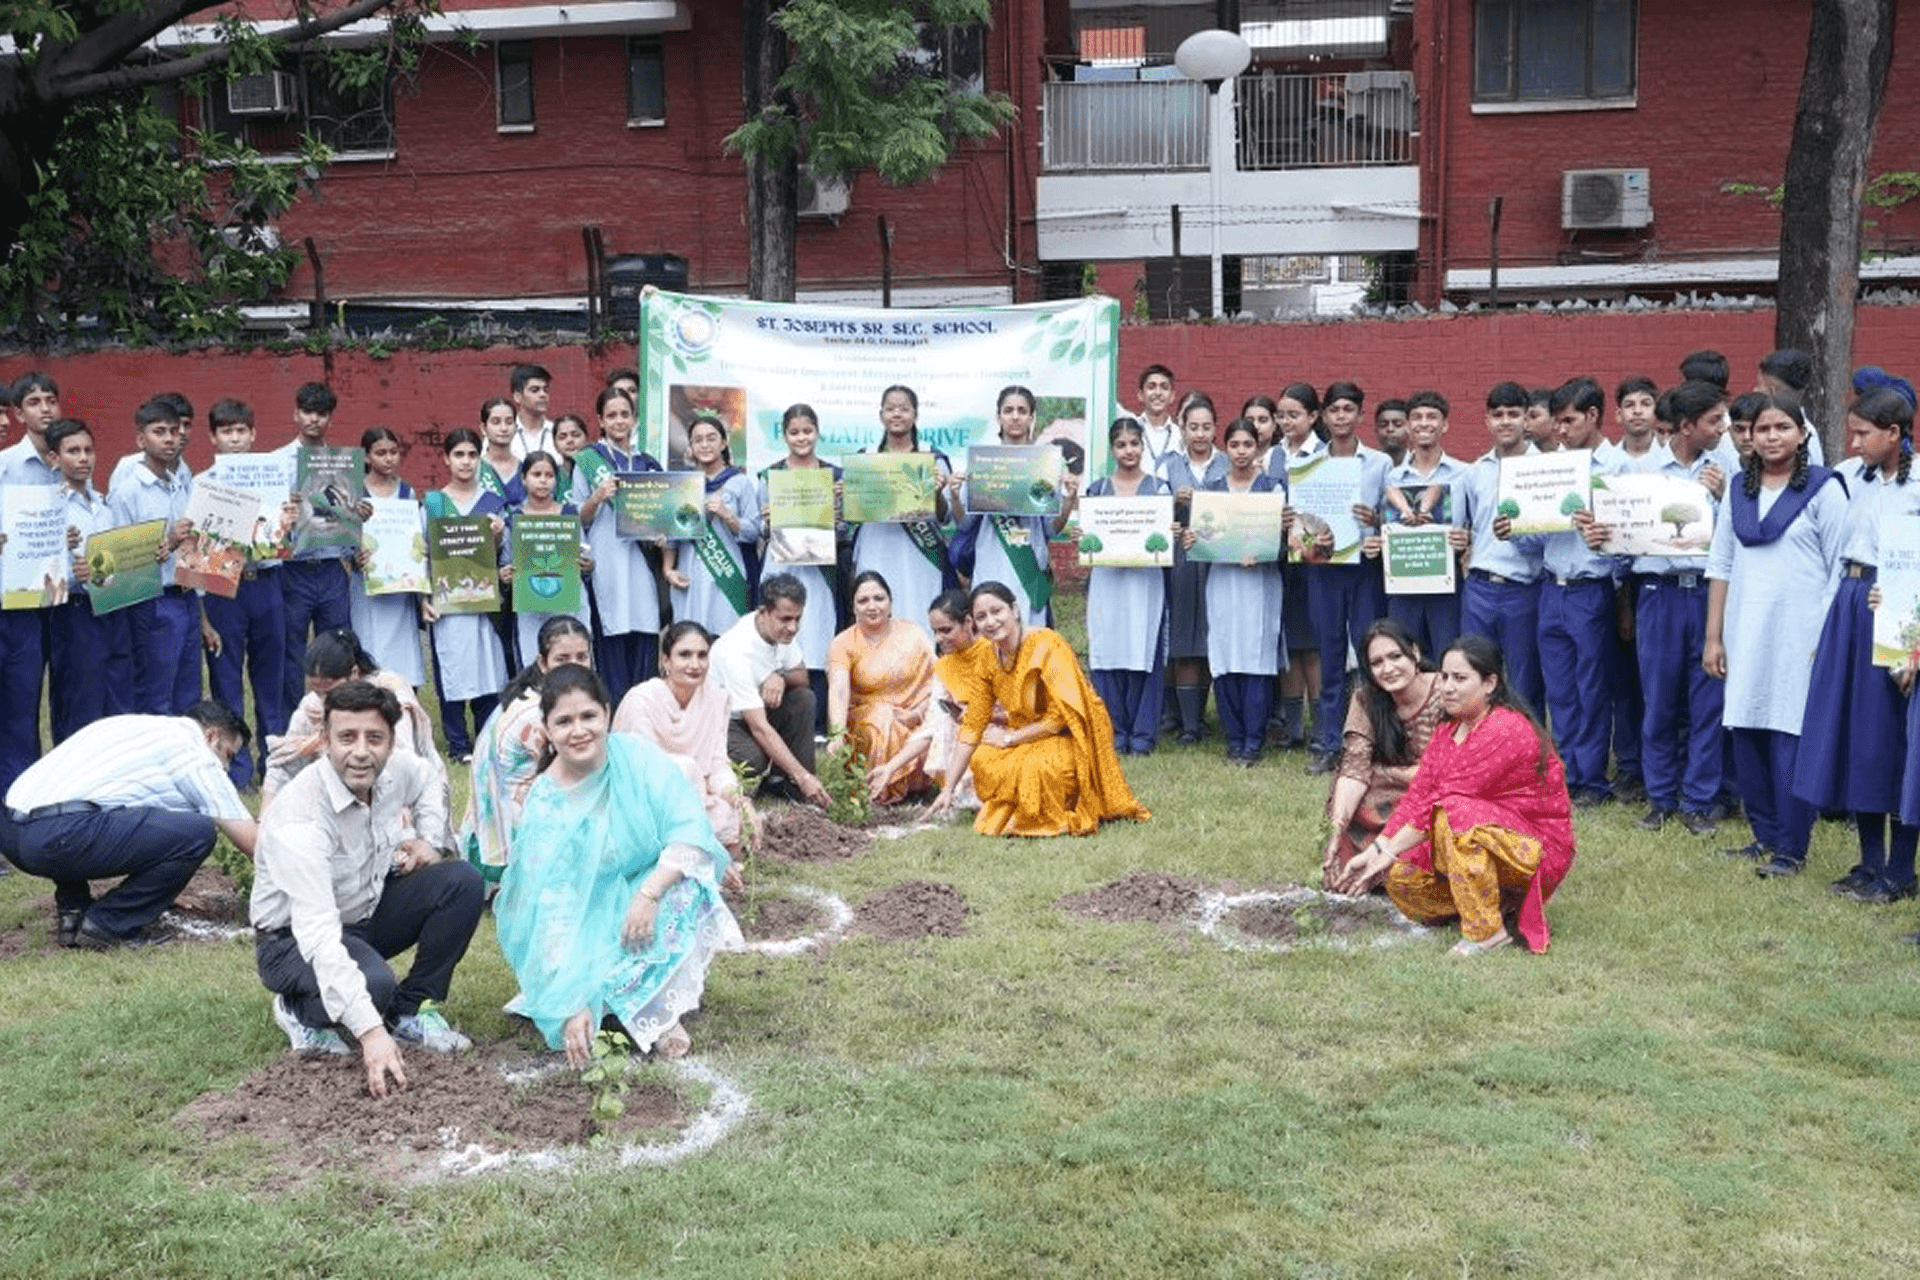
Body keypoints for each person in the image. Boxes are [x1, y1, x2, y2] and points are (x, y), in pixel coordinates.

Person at [496, 666, 743, 1064]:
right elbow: (550, 910)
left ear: (607, 715)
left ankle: (656, 1012)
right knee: (580, 995)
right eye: (564, 721)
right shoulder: (546, 804)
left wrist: (648, 894)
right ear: (547, 730)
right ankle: (616, 1005)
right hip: (582, 919)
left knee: (687, 887)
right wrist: (572, 998)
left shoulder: (635, 757)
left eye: (588, 716)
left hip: (639, 897)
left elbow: (687, 829)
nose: (579, 730)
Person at [252, 681, 483, 1092]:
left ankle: (409, 1012)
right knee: (374, 987)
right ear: (324, 741)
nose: (361, 751)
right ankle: (298, 1009)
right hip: (291, 940)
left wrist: (429, 840)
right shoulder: (301, 820)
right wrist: (371, 1034)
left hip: (364, 912)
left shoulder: (394, 770)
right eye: (346, 737)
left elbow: (429, 778)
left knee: (461, 882)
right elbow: (319, 936)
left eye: (374, 738)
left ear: (392, 741)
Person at [1331, 636, 1575, 955]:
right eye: (1444, 677)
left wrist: (1386, 851)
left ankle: (1487, 932)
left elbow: (1442, 801)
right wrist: (1378, 849)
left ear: (1490, 683)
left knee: (1453, 813)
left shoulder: (1505, 728)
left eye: (1460, 679)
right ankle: (1495, 905)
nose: (1447, 687)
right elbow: (1419, 797)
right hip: (1482, 832)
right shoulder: (1447, 732)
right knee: (1403, 878)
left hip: (1535, 848)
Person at [1702, 393, 1847, 877]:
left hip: (1801, 636)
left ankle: (1793, 845)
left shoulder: (1824, 490)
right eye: (1761, 429)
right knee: (1746, 732)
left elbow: (1839, 570)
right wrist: (1714, 636)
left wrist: (1825, 639)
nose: (1770, 437)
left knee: (1789, 736)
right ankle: (1764, 834)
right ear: (1748, 437)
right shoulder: (1740, 489)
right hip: (1746, 630)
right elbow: (1720, 563)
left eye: (1782, 427)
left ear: (1803, 433)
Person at [3, 701, 257, 949]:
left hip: (11, 831)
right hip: (55, 837)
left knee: (88, 806)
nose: (226, 768)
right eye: (228, 755)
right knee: (198, 833)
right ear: (211, 736)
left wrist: (167, 889)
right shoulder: (192, 751)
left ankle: (74, 911)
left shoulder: (133, 727)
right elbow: (252, 843)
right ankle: (108, 925)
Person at [1791, 387, 1914, 889]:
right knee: (1859, 738)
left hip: (1898, 606)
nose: (1855, 442)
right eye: (1852, 432)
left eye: (1864, 433)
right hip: (1851, 600)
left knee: (1897, 742)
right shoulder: (1849, 480)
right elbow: (1837, 554)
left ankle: (1901, 868)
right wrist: (1825, 626)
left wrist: (1910, 644)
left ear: (1894, 433)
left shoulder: (1918, 487)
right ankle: (1869, 861)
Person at [925, 581, 1150, 836]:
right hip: (1025, 735)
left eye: (997, 611)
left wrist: (1010, 738)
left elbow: (1059, 719)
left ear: (1015, 610)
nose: (991, 621)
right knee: (983, 759)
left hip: (1067, 735)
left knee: (1038, 766)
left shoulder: (1047, 644)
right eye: (981, 616)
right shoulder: (988, 656)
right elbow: (974, 723)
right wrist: (948, 789)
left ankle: (1058, 809)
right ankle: (1021, 811)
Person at [463, 615, 594, 885]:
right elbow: (582, 777)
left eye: (582, 657)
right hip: (506, 847)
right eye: (563, 659)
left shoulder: (541, 696)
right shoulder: (535, 713)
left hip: (500, 828)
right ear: (543, 663)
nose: (574, 667)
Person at [200, 398, 289, 787]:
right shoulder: (204, 481)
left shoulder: (275, 474)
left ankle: (276, 765)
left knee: (272, 679)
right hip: (223, 589)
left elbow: (291, 538)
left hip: (266, 582)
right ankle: (235, 769)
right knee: (226, 680)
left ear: (253, 434)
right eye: (226, 431)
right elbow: (198, 550)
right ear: (213, 438)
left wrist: (291, 517)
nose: (235, 439)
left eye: (241, 431)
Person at [262, 627, 448, 813]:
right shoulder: (312, 705)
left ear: (354, 673)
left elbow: (401, 759)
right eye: (318, 692)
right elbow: (284, 761)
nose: (324, 701)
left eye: (331, 692)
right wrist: (266, 817)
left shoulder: (388, 692)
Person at [1321, 620, 1446, 893]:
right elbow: (1354, 768)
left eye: (1395, 656)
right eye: (1377, 663)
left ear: (1414, 652)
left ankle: (1393, 866)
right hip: (1391, 791)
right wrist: (1336, 830)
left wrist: (1391, 774)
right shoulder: (1365, 700)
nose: (1388, 669)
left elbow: (1446, 771)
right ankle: (1356, 867)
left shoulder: (1446, 692)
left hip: (1435, 792)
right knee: (1347, 799)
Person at [614, 620, 758, 852]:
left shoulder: (714, 699)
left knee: (730, 808)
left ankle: (723, 866)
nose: (695, 664)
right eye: (685, 655)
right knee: (684, 767)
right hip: (647, 806)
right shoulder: (641, 701)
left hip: (696, 800)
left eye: (702, 655)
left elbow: (717, 765)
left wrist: (738, 799)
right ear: (665, 660)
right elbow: (641, 773)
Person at [1194, 417, 1286, 765]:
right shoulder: (1213, 490)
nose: (1241, 452)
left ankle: (1254, 739)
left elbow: (1283, 543)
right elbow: (1203, 538)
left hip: (1259, 584)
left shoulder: (1272, 489)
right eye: (1235, 445)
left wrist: (1267, 551)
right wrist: (1194, 540)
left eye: (1248, 444)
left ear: (1258, 446)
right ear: (1225, 447)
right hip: (1222, 582)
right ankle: (1234, 738)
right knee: (1225, 658)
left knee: (1256, 659)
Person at [952, 385, 1079, 628]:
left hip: (1029, 568)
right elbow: (964, 523)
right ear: (998, 416)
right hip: (990, 562)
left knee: (1029, 641)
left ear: (1031, 417)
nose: (1015, 416)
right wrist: (956, 497)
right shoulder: (983, 461)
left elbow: (1051, 530)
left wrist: (1069, 500)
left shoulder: (1045, 463)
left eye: (1022, 410)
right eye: (1008, 410)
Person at [1083, 417, 1171, 755]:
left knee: (1142, 648)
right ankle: (1114, 730)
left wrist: (1169, 535)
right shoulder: (1097, 490)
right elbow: (1090, 537)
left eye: (1134, 443)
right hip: (1107, 582)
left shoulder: (1158, 488)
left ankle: (1143, 733)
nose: (1128, 450)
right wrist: (1083, 538)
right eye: (1121, 445)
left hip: (1145, 583)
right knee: (1108, 649)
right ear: (1112, 449)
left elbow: (1165, 538)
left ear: (1142, 447)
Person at [758, 403, 846, 730]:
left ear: (818, 433)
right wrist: (767, 522)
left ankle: (821, 723)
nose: (801, 437)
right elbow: (758, 529)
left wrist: (838, 515)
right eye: (794, 432)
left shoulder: (835, 476)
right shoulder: (770, 476)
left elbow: (848, 527)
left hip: (819, 570)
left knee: (817, 636)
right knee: (779, 633)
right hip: (781, 565)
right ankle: (780, 719)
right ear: (784, 436)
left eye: (807, 431)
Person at [575, 384, 665, 704]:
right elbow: (579, 517)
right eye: (611, 415)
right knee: (611, 631)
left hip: (641, 564)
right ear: (600, 420)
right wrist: (597, 496)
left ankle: (644, 710)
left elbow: (663, 517)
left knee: (643, 628)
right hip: (607, 560)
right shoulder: (588, 459)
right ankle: (614, 708)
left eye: (624, 414)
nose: (618, 421)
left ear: (634, 419)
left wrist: (660, 534)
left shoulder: (649, 464)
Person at [109, 396, 200, 715]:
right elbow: (117, 565)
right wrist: (170, 541)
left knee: (188, 691)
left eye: (174, 431)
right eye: (159, 432)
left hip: (186, 594)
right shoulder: (128, 489)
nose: (169, 439)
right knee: (156, 692)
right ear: (140, 439)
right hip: (151, 601)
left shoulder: (180, 482)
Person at [425, 427, 512, 760]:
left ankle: (486, 739)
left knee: (488, 668)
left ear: (480, 458)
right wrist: (424, 597)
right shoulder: (434, 502)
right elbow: (424, 552)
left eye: (472, 454)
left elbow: (504, 560)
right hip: (448, 600)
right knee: (452, 667)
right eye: (458, 454)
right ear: (447, 459)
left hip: (485, 600)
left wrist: (500, 536)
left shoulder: (493, 504)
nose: (466, 461)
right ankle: (458, 743)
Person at [44, 418, 132, 743]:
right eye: (73, 451)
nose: (83, 458)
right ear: (55, 459)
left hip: (113, 607)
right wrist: (70, 572)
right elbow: (36, 571)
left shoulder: (104, 504)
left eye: (88, 450)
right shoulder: (48, 508)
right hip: (74, 610)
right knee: (80, 698)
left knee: (118, 693)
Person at [709, 573, 832, 806]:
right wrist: (802, 775)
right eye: (785, 619)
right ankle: (799, 779)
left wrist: (779, 677)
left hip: (755, 711)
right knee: (753, 759)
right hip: (723, 721)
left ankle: (785, 785)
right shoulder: (736, 650)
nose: (793, 627)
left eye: (798, 618)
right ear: (763, 613)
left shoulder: (780, 633)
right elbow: (759, 729)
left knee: (803, 699)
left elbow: (802, 677)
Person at [850, 385, 955, 646]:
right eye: (890, 409)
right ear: (881, 415)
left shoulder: (932, 459)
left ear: (915, 415)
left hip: (920, 553)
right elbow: (852, 515)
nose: (897, 414)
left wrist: (938, 493)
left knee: (918, 606)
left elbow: (945, 517)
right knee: (875, 606)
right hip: (876, 547)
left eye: (904, 409)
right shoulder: (866, 459)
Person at [867, 590, 990, 806]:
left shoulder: (994, 651)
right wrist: (890, 767)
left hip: (1001, 735)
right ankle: (959, 789)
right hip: (968, 741)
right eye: (935, 631)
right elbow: (932, 727)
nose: (938, 638)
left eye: (946, 630)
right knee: (945, 720)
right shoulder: (945, 666)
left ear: (968, 622)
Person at [277, 382, 354, 716]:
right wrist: (286, 509)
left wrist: (359, 511)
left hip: (331, 565)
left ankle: (340, 715)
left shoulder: (342, 462)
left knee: (338, 646)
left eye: (321, 414)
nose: (314, 420)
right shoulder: (278, 461)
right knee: (290, 650)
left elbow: (350, 510)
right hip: (293, 568)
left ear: (330, 419)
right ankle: (295, 720)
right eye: (307, 412)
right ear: (296, 414)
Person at [826, 570, 936, 802]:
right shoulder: (843, 643)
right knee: (882, 717)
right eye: (863, 601)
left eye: (879, 598)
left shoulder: (913, 633)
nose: (872, 606)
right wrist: (836, 735)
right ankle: (878, 791)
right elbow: (839, 690)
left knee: (943, 726)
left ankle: (910, 783)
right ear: (853, 608)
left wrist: (915, 714)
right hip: (865, 723)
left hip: (916, 715)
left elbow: (938, 680)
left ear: (890, 602)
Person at [1158, 392, 1227, 743]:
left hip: (1219, 560)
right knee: (1184, 636)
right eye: (1192, 427)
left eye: (1206, 427)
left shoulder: (1229, 463)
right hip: (1181, 558)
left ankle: (1202, 715)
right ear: (1181, 429)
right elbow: (1150, 512)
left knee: (1213, 635)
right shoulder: (1167, 465)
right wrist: (1172, 502)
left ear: (1216, 429)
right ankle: (1187, 724)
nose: (1199, 434)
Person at [347, 425, 427, 689]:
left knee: (403, 656)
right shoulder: (355, 494)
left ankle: (404, 700)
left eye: (394, 452)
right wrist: (353, 558)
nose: (389, 458)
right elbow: (343, 539)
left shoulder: (407, 492)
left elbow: (415, 537)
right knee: (370, 649)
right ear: (367, 458)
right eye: (381, 453)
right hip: (366, 587)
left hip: (400, 588)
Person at [664, 415, 760, 636]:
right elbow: (670, 534)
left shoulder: (739, 482)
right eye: (698, 440)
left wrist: (729, 517)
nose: (705, 445)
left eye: (711, 438)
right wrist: (668, 570)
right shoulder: (682, 483)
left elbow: (754, 530)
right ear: (691, 445)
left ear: (723, 443)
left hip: (728, 573)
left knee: (727, 639)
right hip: (690, 573)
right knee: (690, 639)